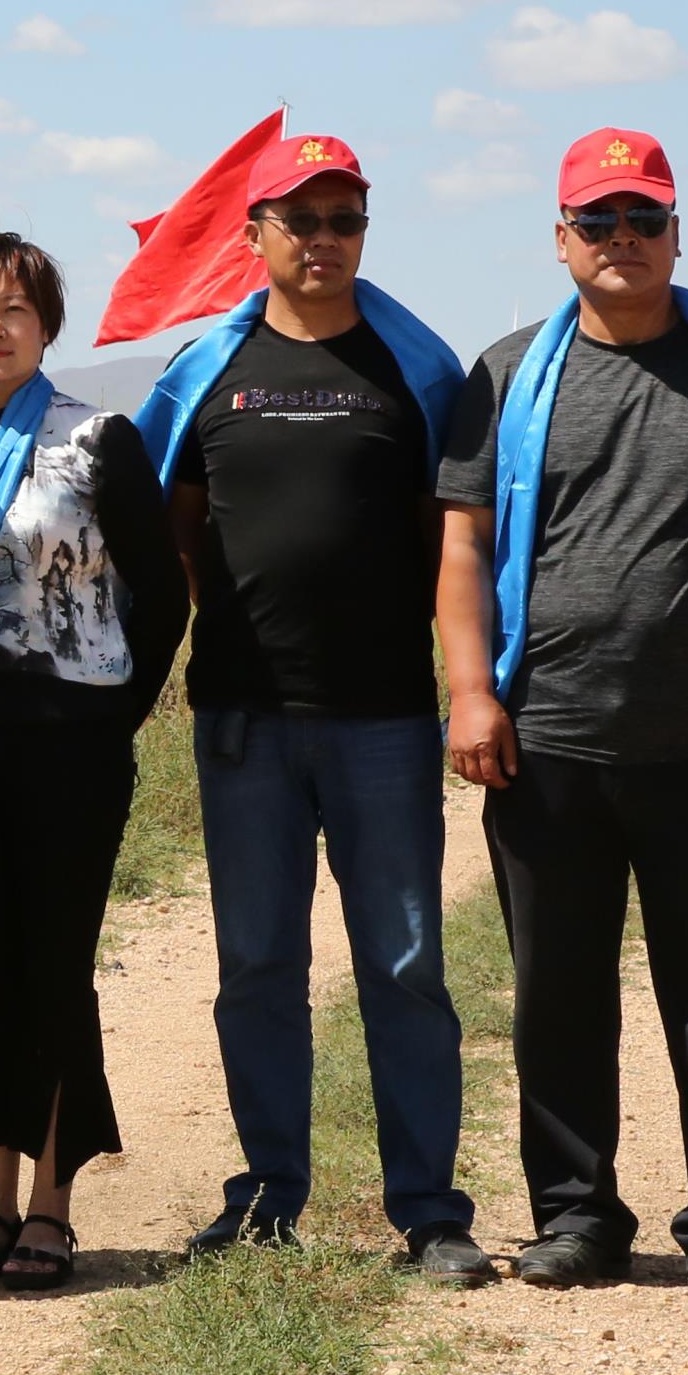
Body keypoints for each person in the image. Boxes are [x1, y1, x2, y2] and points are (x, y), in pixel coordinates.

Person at [435, 127, 688, 1316]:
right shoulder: (506, 372)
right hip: (545, 736)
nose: (623, 241)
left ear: (677, 231)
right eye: (598, 221)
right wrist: (469, 689)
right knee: (555, 990)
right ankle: (575, 1214)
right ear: (559, 238)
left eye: (644, 219)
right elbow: (461, 546)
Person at [135, 133, 487, 1283]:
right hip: (242, 720)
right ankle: (267, 1193)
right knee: (254, 966)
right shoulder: (206, 374)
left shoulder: (416, 370)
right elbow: (167, 531)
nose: (324, 239)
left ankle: (429, 1210)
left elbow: (461, 537)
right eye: (301, 219)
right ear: (255, 236)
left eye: (345, 220)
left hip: (383, 719)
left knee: (402, 963)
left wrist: (473, 687)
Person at [0, 232, 186, 1293]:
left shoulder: (100, 437)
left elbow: (161, 591)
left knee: (54, 965)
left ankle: (51, 1206)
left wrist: (114, 711)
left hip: (71, 741)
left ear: (45, 327)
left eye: (15, 311)